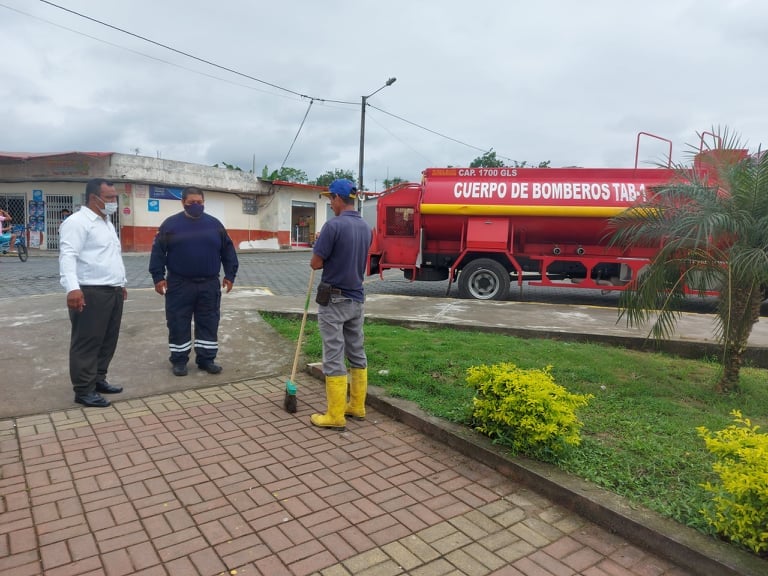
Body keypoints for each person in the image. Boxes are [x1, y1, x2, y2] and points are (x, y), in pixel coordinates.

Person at [149, 186, 239, 376]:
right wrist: (158, 277)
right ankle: (179, 360)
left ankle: (206, 359)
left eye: (199, 202)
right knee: (177, 322)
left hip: (209, 284)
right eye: (192, 203)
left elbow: (228, 251)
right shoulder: (170, 225)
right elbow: (158, 252)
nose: (196, 205)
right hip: (179, 284)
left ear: (204, 202)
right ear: (183, 202)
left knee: (209, 321)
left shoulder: (215, 225)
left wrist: (230, 275)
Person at [309, 179, 372, 431]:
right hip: (357, 299)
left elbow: (315, 263)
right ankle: (357, 406)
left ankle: (335, 415)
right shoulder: (365, 226)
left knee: (333, 355)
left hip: (334, 300)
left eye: (330, 199)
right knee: (356, 351)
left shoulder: (333, 225)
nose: (330, 204)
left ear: (337, 198)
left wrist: (320, 243)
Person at [59, 179, 127, 408]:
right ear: (93, 198)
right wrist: (73, 288)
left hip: (112, 291)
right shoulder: (77, 222)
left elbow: (109, 256)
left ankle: (98, 379)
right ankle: (83, 390)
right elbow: (68, 256)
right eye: (109, 197)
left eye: (115, 197)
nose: (113, 201)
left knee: (108, 339)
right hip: (90, 291)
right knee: (87, 342)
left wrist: (121, 283)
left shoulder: (106, 222)